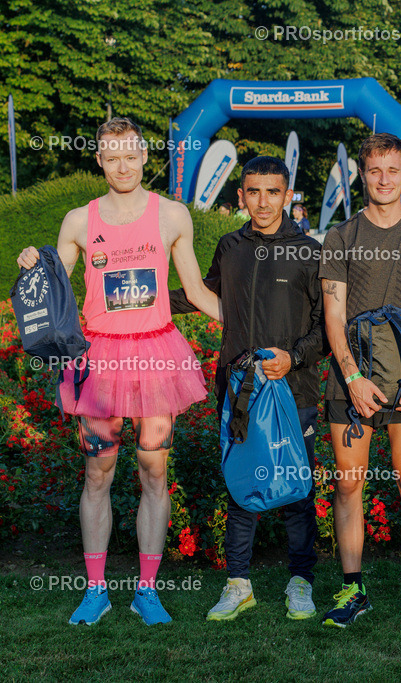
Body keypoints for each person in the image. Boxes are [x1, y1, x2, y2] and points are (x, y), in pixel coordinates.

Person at [16, 117, 221, 626]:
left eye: (132, 155)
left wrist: (257, 329)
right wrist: (32, 265)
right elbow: (54, 284)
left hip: (155, 358)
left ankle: (146, 591)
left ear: (145, 157)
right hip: (100, 361)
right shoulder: (79, 221)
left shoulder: (172, 215)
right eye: (113, 157)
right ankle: (96, 590)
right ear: (101, 161)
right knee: (98, 473)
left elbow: (194, 292)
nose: (123, 165)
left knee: (155, 472)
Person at [169, 157, 326, 622]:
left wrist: (292, 358)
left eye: (272, 192)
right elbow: (200, 294)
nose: (262, 202)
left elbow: (326, 329)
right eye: (253, 192)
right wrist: (137, 298)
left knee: (297, 488)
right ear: (240, 196)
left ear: (288, 195)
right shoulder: (230, 246)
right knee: (241, 488)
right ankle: (239, 584)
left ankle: (301, 582)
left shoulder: (310, 251)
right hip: (238, 390)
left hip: (293, 390)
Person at [319, 133, 401, 629]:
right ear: (362, 173)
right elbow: (334, 315)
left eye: (393, 170)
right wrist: (351, 375)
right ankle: (353, 589)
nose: (383, 179)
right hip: (350, 380)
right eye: (374, 170)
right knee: (349, 484)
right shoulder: (341, 236)